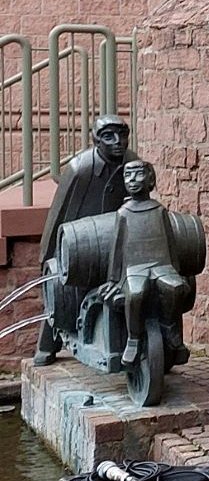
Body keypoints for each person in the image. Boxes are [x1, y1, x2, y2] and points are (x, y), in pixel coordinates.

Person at [33, 115, 139, 366]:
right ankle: (47, 346)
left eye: (122, 135)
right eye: (109, 136)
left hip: (114, 236)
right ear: (95, 141)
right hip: (77, 238)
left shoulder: (132, 162)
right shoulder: (80, 168)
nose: (118, 142)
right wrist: (47, 255)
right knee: (61, 293)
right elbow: (56, 213)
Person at [109, 160, 198, 368]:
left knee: (174, 288)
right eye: (128, 176)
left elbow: (170, 245)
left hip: (161, 265)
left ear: (150, 179)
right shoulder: (123, 214)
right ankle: (134, 338)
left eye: (138, 175)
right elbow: (117, 249)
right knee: (136, 294)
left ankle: (169, 327)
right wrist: (113, 280)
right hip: (134, 269)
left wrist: (177, 271)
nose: (132, 180)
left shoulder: (159, 211)